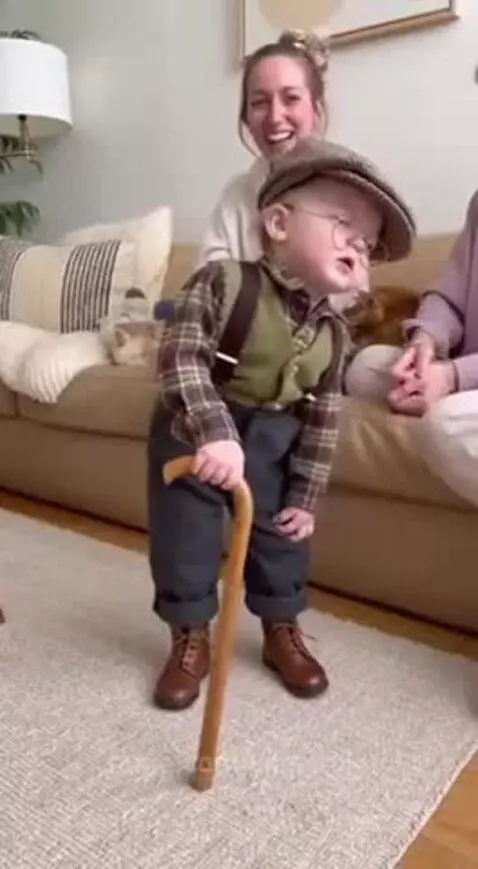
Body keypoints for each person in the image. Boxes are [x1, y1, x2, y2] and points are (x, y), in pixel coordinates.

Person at [147, 137, 415, 712]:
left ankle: (281, 628)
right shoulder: (223, 283)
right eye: (343, 223)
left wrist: (306, 497)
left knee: (281, 535)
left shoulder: (335, 335)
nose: (357, 245)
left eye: (367, 242)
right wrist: (214, 430)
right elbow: (178, 357)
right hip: (194, 426)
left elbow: (321, 422)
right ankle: (190, 634)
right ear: (278, 223)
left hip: (272, 437)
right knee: (186, 536)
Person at [344, 190, 478, 507]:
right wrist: (424, 342)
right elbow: (448, 294)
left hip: (463, 380)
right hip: (464, 376)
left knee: (447, 424)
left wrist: (452, 377)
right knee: (366, 368)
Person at [198, 29, 329, 267]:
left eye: (291, 98)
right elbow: (206, 288)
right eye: (259, 103)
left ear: (316, 112)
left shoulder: (349, 192)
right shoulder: (235, 198)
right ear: (246, 118)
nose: (275, 117)